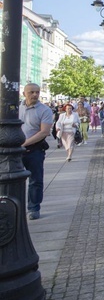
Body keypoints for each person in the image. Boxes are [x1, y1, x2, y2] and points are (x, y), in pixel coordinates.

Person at [19, 83, 54, 220]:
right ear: (24, 94)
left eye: (37, 92)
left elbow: (44, 132)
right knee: (12, 180)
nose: (35, 95)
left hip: (34, 149)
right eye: (31, 92)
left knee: (35, 180)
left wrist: (24, 143)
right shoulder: (15, 108)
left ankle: (33, 208)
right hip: (14, 150)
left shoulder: (44, 110)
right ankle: (13, 206)